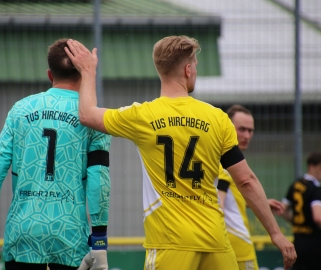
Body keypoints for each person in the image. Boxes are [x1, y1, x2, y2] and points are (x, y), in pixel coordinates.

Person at [64, 35, 296, 270]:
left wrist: (88, 71)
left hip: (170, 243)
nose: (195, 69)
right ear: (187, 69)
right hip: (215, 241)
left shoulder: (142, 115)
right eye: (195, 65)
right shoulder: (217, 118)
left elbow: (87, 114)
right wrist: (275, 233)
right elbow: (246, 180)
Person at [0, 38, 111, 270]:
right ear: (85, 73)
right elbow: (99, 181)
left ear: (50, 75)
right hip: (71, 239)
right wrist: (100, 240)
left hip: (22, 235)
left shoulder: (20, 109)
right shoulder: (94, 118)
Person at [216, 104, 285, 270]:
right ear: (227, 127)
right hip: (237, 249)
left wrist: (260, 202)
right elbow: (218, 206)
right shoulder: (223, 166)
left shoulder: (222, 163)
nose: (247, 135)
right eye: (242, 129)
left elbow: (227, 200)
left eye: (250, 130)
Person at [280, 152, 321, 270]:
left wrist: (297, 222)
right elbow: (318, 217)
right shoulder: (316, 189)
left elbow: (282, 210)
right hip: (315, 243)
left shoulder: (295, 185)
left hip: (298, 241)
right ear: (312, 167)